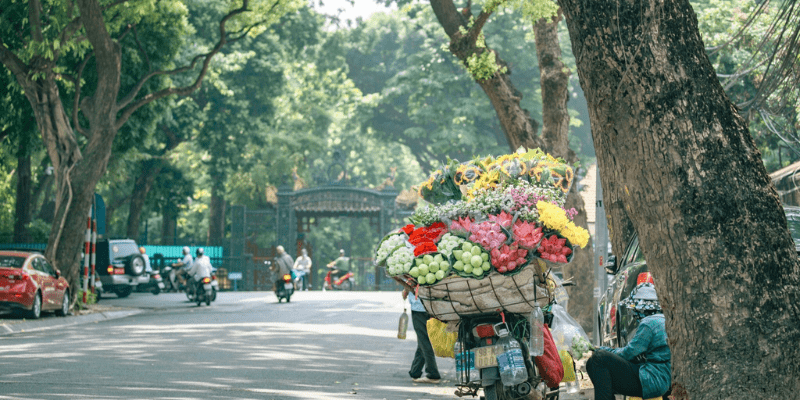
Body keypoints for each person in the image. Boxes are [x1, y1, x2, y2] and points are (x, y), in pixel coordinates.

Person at [586, 282, 671, 400]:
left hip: (651, 380)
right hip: (662, 380)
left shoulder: (649, 323)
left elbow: (629, 353)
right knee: (591, 363)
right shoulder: (665, 320)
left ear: (642, 309)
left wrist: (602, 349)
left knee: (599, 358)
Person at [402, 287, 441, 384]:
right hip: (434, 306)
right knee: (422, 340)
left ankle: (433, 374)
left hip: (419, 308)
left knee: (424, 340)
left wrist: (405, 290)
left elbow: (411, 282)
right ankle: (415, 371)